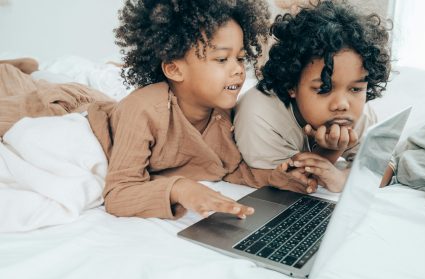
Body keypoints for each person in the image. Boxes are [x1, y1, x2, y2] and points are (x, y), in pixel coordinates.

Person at [0, 0, 316, 220]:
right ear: (174, 69)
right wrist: (178, 188)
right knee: (16, 100)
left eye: (240, 59)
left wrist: (272, 178)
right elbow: (119, 193)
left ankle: (28, 72)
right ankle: (14, 69)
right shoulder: (146, 112)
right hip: (70, 116)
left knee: (49, 86)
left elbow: (228, 167)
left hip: (103, 103)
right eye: (222, 60)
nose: (237, 71)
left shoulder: (221, 114)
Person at [234, 0, 392, 192]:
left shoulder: (358, 114)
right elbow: (290, 184)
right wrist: (332, 150)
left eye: (356, 89)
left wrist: (343, 179)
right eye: (324, 88)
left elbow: (386, 167)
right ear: (292, 84)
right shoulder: (259, 114)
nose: (342, 104)